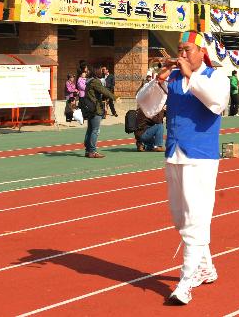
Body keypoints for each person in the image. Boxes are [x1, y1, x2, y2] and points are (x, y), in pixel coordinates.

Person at [136, 31, 229, 305]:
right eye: (180, 49)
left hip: (200, 156)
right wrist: (160, 79)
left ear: (201, 52)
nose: (182, 54)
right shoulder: (173, 78)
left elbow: (217, 103)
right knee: (181, 218)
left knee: (195, 219)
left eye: (187, 49)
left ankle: (185, 282)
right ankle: (206, 267)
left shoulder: (215, 77)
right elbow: (147, 107)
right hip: (174, 153)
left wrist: (191, 74)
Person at [83, 69, 120, 158]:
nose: (102, 72)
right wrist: (115, 97)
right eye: (100, 71)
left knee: (90, 130)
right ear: (96, 73)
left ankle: (88, 150)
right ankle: (92, 151)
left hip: (90, 108)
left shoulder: (89, 82)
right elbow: (104, 90)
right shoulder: (95, 81)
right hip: (96, 108)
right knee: (95, 130)